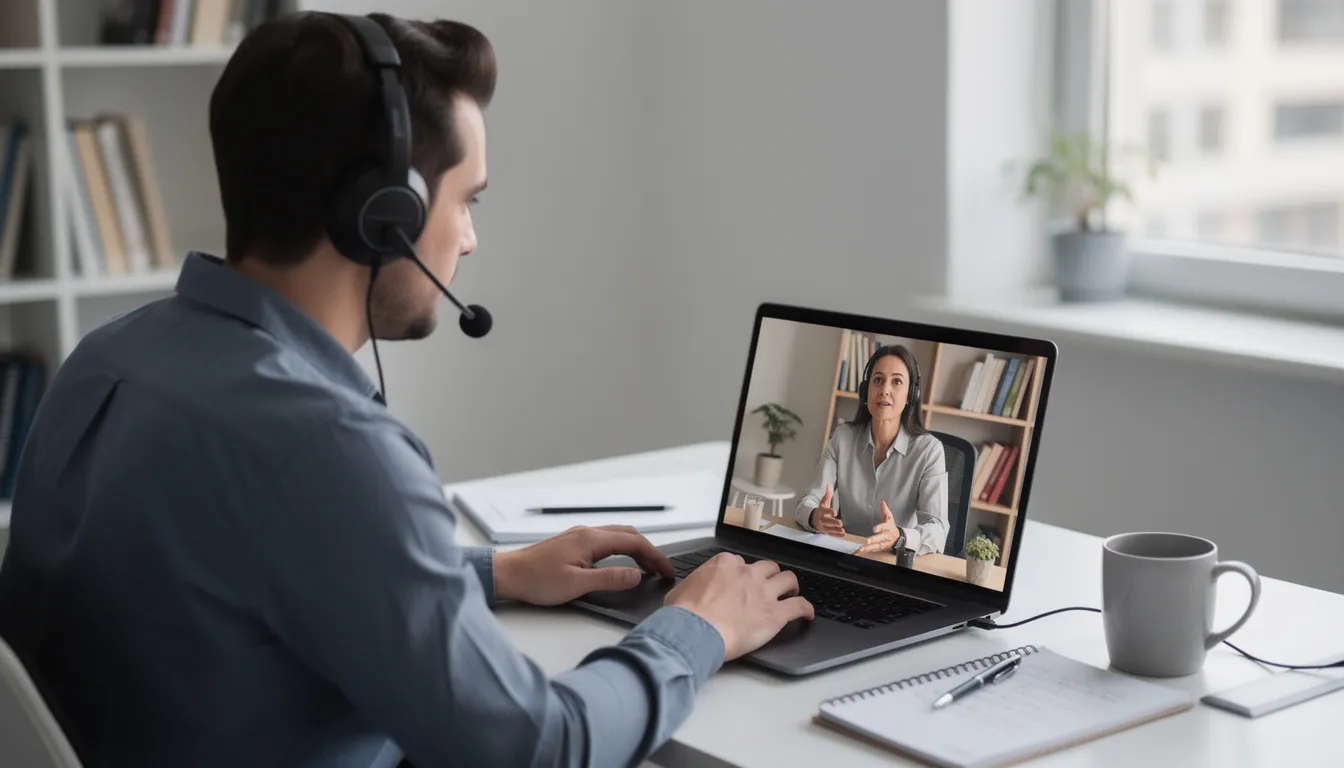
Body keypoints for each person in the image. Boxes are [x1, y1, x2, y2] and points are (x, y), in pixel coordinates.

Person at [0, 12, 813, 768]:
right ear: (382, 216)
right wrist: (696, 630)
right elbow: (538, 748)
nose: (470, 237)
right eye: (466, 201)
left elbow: (245, 576)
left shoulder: (105, 361)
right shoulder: (324, 448)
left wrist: (493, 572)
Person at [794, 345, 949, 557]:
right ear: (865, 390)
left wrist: (900, 537)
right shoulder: (842, 437)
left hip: (894, 560)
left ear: (910, 395)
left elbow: (938, 529)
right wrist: (815, 516)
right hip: (845, 555)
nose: (885, 389)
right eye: (878, 380)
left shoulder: (929, 451)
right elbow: (807, 501)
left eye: (897, 382)